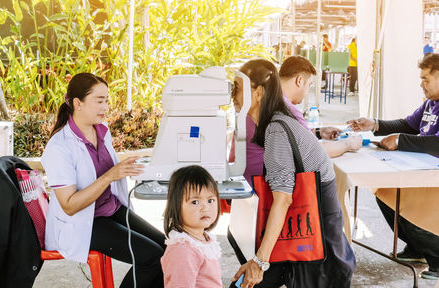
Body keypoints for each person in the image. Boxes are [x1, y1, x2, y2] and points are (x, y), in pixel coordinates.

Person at [230, 59, 355, 288]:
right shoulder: (274, 121)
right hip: (302, 234)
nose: (232, 94)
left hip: (318, 244)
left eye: (237, 87)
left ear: (258, 93)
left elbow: (283, 199)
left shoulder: (277, 128)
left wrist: (259, 261)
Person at [41, 73, 165, 288]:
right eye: (99, 101)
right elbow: (70, 206)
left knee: (169, 248)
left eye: (107, 100)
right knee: (152, 257)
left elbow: (107, 169)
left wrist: (130, 168)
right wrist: (110, 176)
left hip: (111, 209)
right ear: (78, 103)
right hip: (84, 223)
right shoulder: (59, 147)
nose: (105, 107)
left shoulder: (100, 131)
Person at [347, 53, 439, 280]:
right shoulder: (430, 103)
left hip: (432, 178)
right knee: (385, 192)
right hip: (418, 170)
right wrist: (376, 124)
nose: (421, 84)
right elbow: (408, 124)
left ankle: (436, 256)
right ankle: (418, 248)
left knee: (413, 204)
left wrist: (400, 139)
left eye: (426, 79)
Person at [161, 165, 222, 288]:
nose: (205, 208)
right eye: (195, 202)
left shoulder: (202, 238)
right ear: (176, 206)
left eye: (210, 200)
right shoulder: (183, 250)